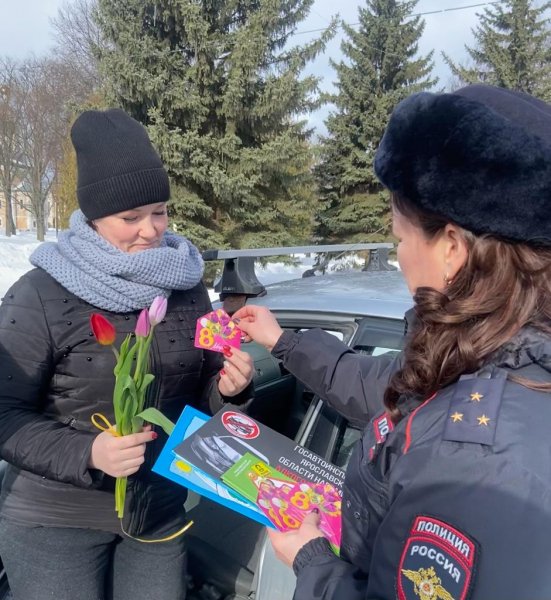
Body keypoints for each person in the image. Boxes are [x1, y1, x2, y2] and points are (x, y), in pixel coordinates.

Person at [233, 84, 551, 599]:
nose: (399, 257)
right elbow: (385, 388)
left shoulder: (472, 462)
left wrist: (311, 558)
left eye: (399, 239)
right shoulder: (487, 353)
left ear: (450, 249)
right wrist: (282, 341)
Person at [0, 108, 254, 600]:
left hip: (157, 509)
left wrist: (231, 391)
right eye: (130, 217)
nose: (151, 230)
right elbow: (4, 414)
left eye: (159, 211)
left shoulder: (188, 286)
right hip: (56, 522)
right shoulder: (40, 293)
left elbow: (199, 396)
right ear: (93, 217)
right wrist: (89, 452)